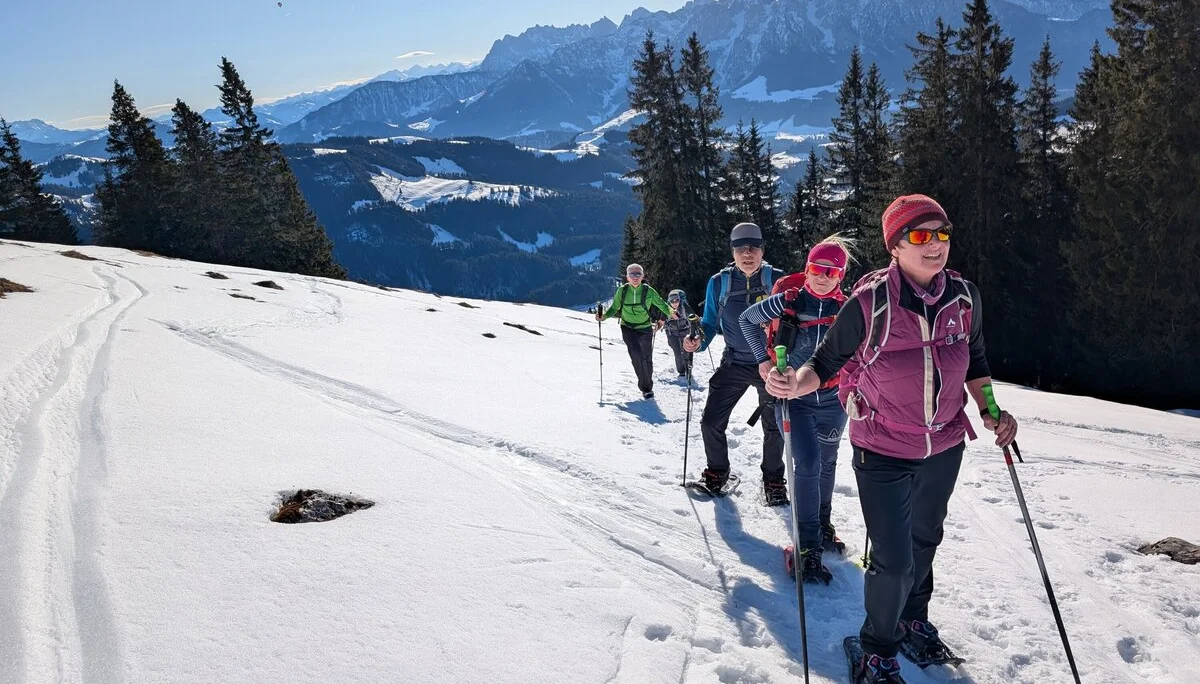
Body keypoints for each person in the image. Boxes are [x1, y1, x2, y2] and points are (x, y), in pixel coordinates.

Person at [764, 195, 1018, 684]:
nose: (935, 244)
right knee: (894, 562)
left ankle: (912, 620)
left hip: (944, 446)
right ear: (895, 246)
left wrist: (990, 410)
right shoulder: (869, 303)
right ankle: (876, 650)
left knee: (925, 541)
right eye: (920, 235)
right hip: (881, 448)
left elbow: (976, 358)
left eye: (942, 233)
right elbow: (826, 362)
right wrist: (795, 384)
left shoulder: (965, 297)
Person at [739, 235, 853, 583]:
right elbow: (747, 320)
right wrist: (762, 361)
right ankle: (806, 545)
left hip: (833, 400)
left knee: (828, 462)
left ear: (841, 276)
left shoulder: (848, 310)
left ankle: (822, 524)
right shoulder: (788, 300)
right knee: (807, 463)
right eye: (817, 269)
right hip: (793, 400)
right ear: (807, 268)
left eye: (832, 272)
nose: (823, 277)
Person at [682, 222, 787, 503]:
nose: (747, 253)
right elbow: (708, 323)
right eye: (741, 248)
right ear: (733, 252)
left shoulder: (778, 280)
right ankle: (717, 472)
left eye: (753, 247)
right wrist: (697, 342)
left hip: (771, 365)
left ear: (762, 250)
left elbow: (793, 321)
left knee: (775, 426)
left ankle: (773, 480)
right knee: (711, 422)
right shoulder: (720, 282)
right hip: (735, 361)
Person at [596, 263, 672, 399]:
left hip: (645, 328)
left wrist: (673, 313)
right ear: (627, 277)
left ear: (643, 276)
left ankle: (647, 384)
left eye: (638, 274)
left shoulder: (649, 291)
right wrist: (604, 316)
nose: (635, 277)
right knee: (637, 355)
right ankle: (646, 388)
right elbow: (615, 307)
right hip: (628, 328)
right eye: (632, 274)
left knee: (647, 358)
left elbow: (662, 304)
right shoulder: (622, 291)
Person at [663, 289, 697, 378]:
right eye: (672, 301)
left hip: (685, 332)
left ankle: (688, 370)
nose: (675, 303)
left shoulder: (684, 307)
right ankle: (681, 372)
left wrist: (696, 324)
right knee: (678, 353)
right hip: (672, 333)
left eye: (677, 300)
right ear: (669, 301)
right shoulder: (666, 309)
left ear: (679, 300)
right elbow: (662, 320)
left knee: (686, 351)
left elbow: (692, 317)